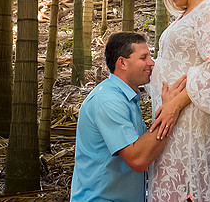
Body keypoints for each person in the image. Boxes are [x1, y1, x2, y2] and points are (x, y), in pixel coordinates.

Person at [148, 0, 210, 202]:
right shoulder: (183, 17)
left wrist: (175, 104)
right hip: (172, 113)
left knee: (186, 183)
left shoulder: (208, 9)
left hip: (187, 114)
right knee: (168, 178)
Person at [71, 32, 185, 202]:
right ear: (122, 62)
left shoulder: (127, 98)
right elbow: (138, 159)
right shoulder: (108, 101)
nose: (151, 63)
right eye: (143, 57)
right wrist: (169, 111)